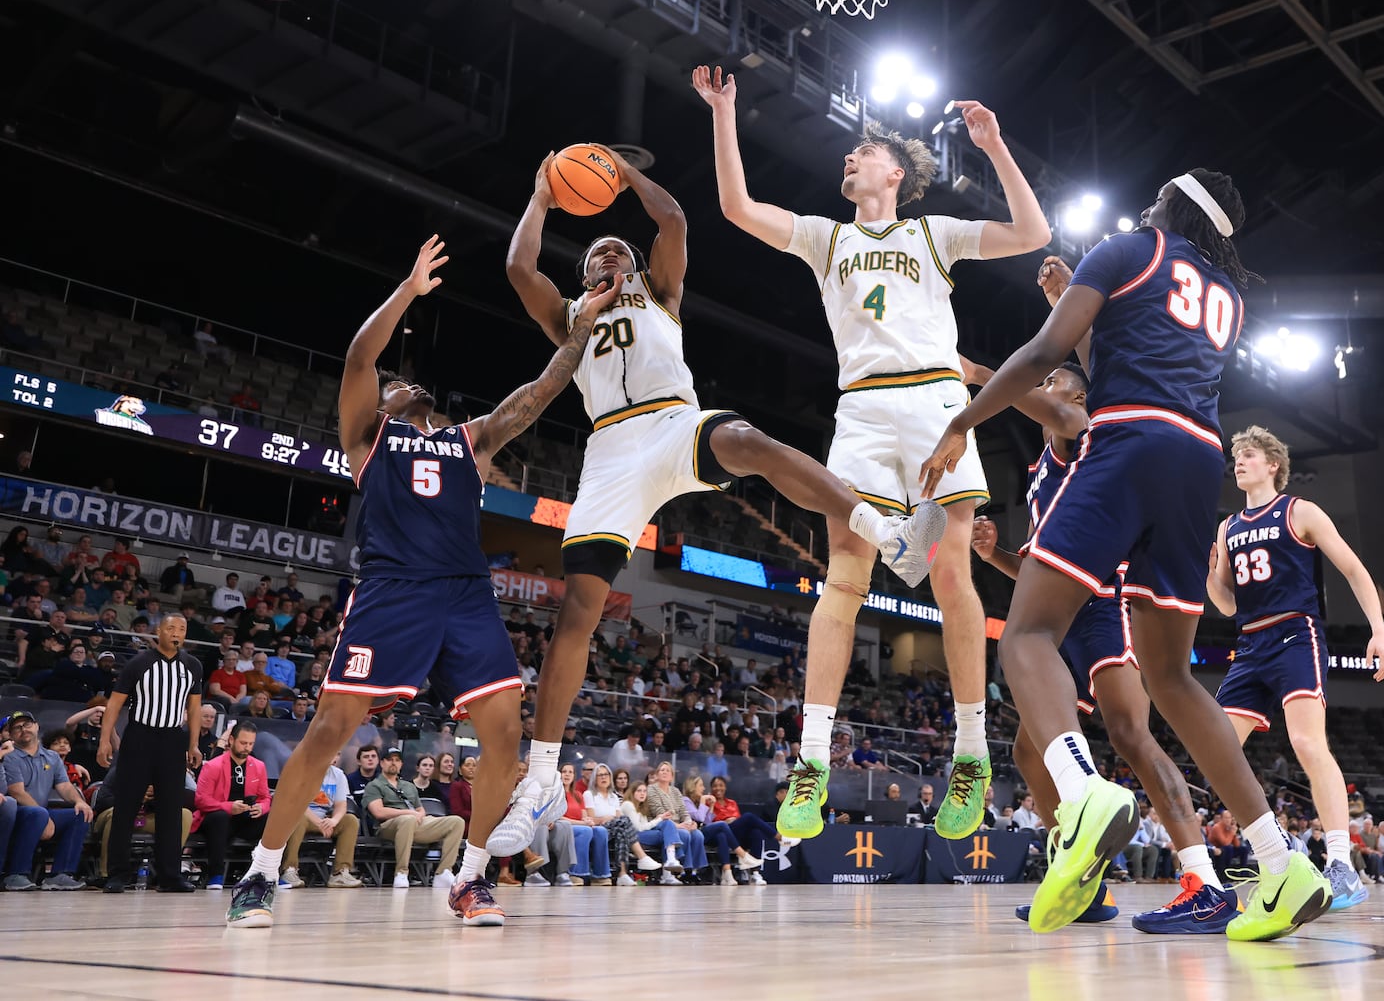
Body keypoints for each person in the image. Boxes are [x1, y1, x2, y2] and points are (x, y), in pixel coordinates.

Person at [491, 146, 942, 855]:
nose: (604, 258)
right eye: (594, 255)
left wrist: (619, 170)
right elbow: (520, 269)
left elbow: (670, 217)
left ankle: (880, 527)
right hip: (610, 451)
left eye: (617, 251)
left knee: (749, 440)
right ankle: (542, 776)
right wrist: (545, 194)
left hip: (673, 421)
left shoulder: (660, 293)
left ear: (636, 267)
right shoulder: (572, 316)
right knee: (577, 610)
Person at [917, 171, 1329, 940]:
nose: (1145, 206)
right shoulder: (1226, 297)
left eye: (1157, 197)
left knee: (1030, 635)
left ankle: (1082, 795)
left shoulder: (1131, 247)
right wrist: (1074, 297)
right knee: (1172, 676)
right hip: (1196, 460)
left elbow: (1047, 355)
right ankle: (1280, 864)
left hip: (1131, 443)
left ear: (1173, 205)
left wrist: (964, 420)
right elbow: (1128, 353)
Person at [695, 65, 1053, 842]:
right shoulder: (828, 238)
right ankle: (812, 760)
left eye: (862, 153)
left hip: (935, 404)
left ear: (895, 171)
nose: (848, 161)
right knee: (845, 574)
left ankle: (968, 756)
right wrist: (725, 113)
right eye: (848, 156)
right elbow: (736, 207)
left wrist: (994, 149)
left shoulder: (934, 233)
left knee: (953, 572)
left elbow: (1033, 235)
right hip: (859, 408)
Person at [225, 236, 615, 929]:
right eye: (391, 385)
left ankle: (469, 879)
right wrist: (407, 288)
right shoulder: (365, 439)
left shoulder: (469, 438)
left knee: (503, 740)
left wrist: (581, 331)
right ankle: (260, 871)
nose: (399, 385)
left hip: (465, 594)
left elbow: (539, 393)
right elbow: (357, 359)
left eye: (406, 385)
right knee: (327, 730)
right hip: (392, 591)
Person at [969, 359, 1233, 933]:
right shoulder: (1041, 472)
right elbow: (1046, 574)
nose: (1043, 390)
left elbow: (1062, 409)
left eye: (1052, 383)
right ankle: (1083, 879)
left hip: (1105, 603)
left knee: (1131, 734)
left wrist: (984, 375)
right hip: (1064, 615)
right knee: (1028, 752)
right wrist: (996, 558)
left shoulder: (1079, 434)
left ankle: (1204, 882)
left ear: (1082, 397)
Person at [1205, 425, 1384, 912]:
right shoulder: (1228, 527)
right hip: (1249, 642)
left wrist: (1378, 630)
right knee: (1218, 752)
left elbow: (1353, 569)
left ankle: (1340, 864)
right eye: (1236, 456)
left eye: (1248, 454)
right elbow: (1225, 605)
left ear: (1273, 464)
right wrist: (1211, 572)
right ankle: (1277, 855)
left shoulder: (1299, 511)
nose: (1239, 461)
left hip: (1295, 633)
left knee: (1308, 742)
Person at [96, 613, 204, 892]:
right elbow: (114, 705)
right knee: (126, 806)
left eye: (182, 628)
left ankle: (169, 876)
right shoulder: (139, 663)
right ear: (159, 631)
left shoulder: (192, 665)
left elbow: (194, 709)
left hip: (172, 740)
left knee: (171, 809)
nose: (176, 633)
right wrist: (104, 741)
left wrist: (193, 744)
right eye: (171, 628)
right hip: (139, 737)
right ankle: (118, 874)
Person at [2, 710, 93, 890]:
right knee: (37, 813)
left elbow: (65, 786)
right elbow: (16, 792)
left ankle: (60, 874)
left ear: (37, 726)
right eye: (17, 728)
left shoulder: (51, 757)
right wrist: (45, 817)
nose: (23, 729)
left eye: (27, 724)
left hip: (40, 813)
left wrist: (79, 801)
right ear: (11, 735)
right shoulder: (10, 756)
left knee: (80, 814)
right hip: (18, 813)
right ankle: (16, 874)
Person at [363, 747, 466, 890]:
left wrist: (419, 815)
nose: (394, 763)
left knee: (456, 821)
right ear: (382, 763)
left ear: (401, 764)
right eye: (389, 760)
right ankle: (401, 872)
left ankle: (443, 872)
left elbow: (420, 809)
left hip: (415, 824)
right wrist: (408, 813)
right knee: (407, 820)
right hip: (387, 827)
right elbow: (378, 812)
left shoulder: (408, 786)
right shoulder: (374, 785)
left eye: (397, 760)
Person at [193, 721, 271, 889]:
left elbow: (265, 798)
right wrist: (228, 807)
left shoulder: (259, 766)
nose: (247, 748)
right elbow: (201, 800)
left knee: (272, 818)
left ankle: (268, 873)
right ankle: (216, 874)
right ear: (231, 740)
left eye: (251, 744)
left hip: (245, 817)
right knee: (219, 818)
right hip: (217, 817)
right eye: (243, 743)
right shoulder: (213, 766)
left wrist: (261, 807)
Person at [279, 752, 362, 889]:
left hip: (324, 819)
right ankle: (289, 870)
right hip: (302, 816)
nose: (334, 757)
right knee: (298, 817)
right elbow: (299, 805)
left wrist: (334, 821)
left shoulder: (339, 775)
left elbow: (341, 805)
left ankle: (340, 873)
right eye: (332, 752)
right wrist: (319, 822)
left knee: (350, 821)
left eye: (338, 754)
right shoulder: (303, 771)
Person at [621, 780, 687, 883]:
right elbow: (639, 828)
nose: (642, 793)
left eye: (644, 791)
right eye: (639, 791)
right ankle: (669, 866)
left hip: (641, 834)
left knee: (667, 826)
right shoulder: (628, 805)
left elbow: (646, 826)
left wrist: (658, 819)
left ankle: (669, 866)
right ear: (632, 792)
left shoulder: (641, 807)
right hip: (632, 837)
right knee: (667, 832)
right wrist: (658, 820)